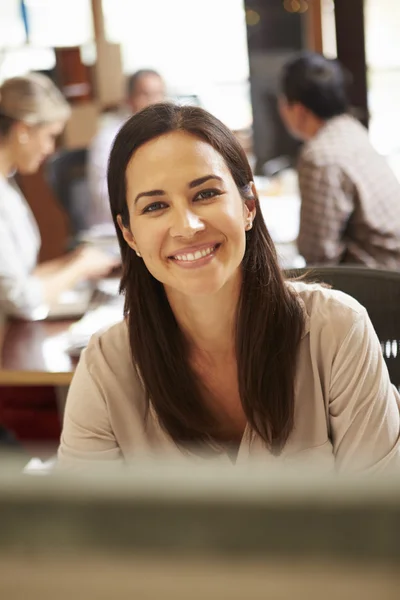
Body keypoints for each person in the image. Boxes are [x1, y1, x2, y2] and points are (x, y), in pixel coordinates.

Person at [59, 103, 400, 473]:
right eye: (156, 205)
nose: (187, 227)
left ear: (248, 205)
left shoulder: (338, 330)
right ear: (130, 235)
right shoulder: (105, 366)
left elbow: (376, 515)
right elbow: (86, 527)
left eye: (205, 194)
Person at [0, 73, 119, 321]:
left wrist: (74, 261)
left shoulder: (8, 183)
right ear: (23, 130)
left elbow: (19, 279)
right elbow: (21, 300)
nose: (50, 149)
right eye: (50, 136)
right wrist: (79, 267)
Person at [279, 51, 400, 268]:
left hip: (382, 284)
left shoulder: (319, 156)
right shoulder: (351, 129)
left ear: (297, 110)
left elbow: (317, 253)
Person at [87, 69, 166, 226]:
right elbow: (105, 199)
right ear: (129, 99)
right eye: (145, 95)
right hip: (116, 229)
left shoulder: (171, 137)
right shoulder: (108, 139)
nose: (154, 102)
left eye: (159, 94)